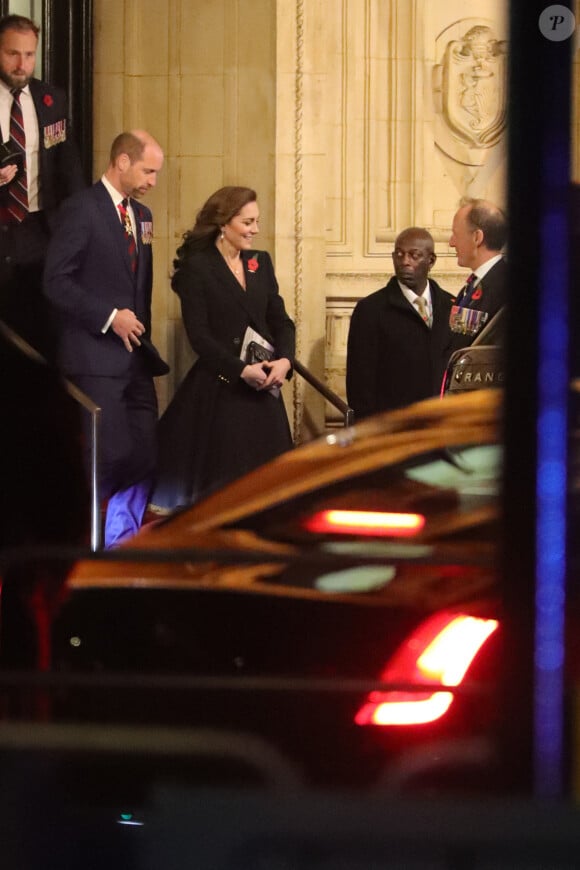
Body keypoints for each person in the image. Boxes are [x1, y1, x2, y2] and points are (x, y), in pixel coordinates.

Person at [43, 130, 167, 548]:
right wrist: (110, 317)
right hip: (93, 360)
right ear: (122, 162)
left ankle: (121, 542)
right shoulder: (81, 210)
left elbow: (141, 286)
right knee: (109, 457)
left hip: (135, 361)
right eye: (148, 171)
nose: (152, 180)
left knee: (147, 456)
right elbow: (56, 281)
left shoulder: (143, 216)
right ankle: (86, 543)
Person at [151, 185, 295, 511]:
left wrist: (285, 361)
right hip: (222, 386)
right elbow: (199, 336)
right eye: (247, 223)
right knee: (223, 494)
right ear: (223, 223)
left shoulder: (261, 262)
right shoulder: (197, 268)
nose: (255, 230)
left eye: (256, 221)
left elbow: (281, 321)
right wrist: (241, 369)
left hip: (266, 386)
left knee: (272, 495)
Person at [0, 14, 84, 360]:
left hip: (39, 229)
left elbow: (68, 166)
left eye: (30, 55)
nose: (22, 64)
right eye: (13, 54)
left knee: (40, 329)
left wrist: (80, 229)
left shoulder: (52, 100)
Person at [346, 227, 454, 420]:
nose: (405, 261)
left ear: (431, 260)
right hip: (395, 428)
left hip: (443, 426)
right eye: (399, 254)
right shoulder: (371, 310)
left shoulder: (450, 306)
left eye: (414, 255)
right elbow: (360, 384)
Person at [448, 198, 508, 349]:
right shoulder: (473, 286)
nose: (451, 242)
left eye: (456, 234)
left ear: (477, 238)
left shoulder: (505, 287)